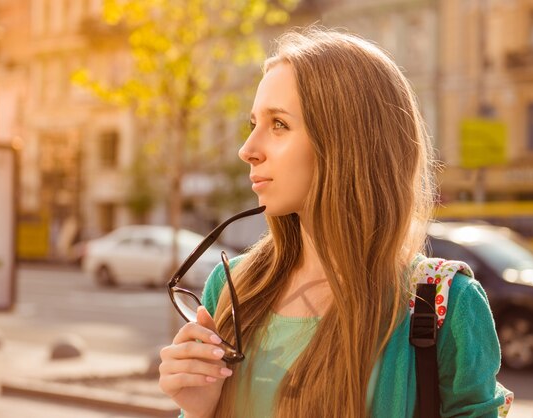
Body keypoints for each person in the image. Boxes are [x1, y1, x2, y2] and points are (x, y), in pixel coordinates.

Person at [159, 26, 511, 418]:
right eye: (252, 123)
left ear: (346, 142)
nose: (248, 150)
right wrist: (198, 412)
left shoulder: (447, 305)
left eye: (278, 124)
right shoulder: (230, 289)